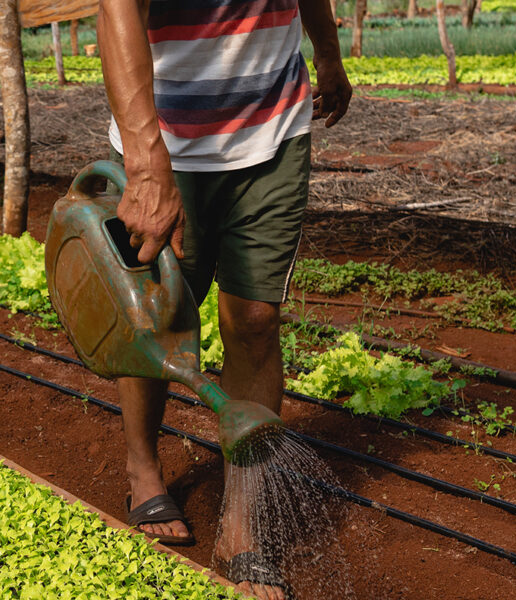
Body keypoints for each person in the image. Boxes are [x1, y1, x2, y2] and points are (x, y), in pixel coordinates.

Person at [98, 0, 352, 597]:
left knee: (257, 319)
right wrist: (145, 161)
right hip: (165, 138)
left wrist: (329, 53)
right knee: (157, 312)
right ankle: (142, 468)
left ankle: (243, 523)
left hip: (272, 126)